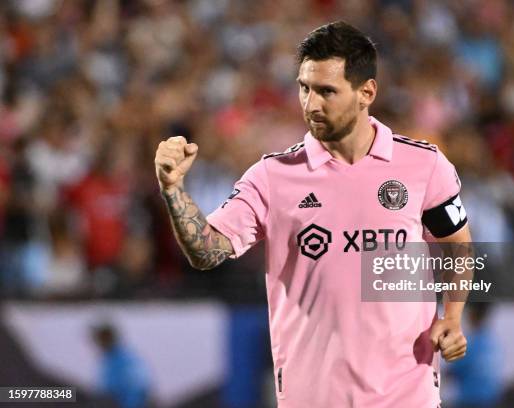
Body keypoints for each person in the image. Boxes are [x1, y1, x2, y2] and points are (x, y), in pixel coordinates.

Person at [155, 21, 471, 407]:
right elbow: (206, 251)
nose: (311, 104)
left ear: (366, 92)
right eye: (304, 88)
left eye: (326, 91)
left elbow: (458, 245)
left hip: (407, 398)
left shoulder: (423, 166)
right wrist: (173, 191)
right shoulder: (273, 177)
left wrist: (452, 317)